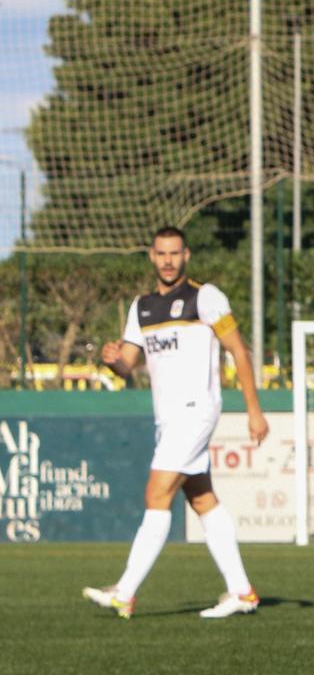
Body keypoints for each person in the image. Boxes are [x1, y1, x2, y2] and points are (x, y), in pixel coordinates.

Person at [83, 227, 267, 620]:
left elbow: (239, 350)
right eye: (161, 253)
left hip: (197, 408)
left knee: (156, 493)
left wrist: (254, 409)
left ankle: (125, 591)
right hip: (168, 418)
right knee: (202, 498)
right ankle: (242, 592)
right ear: (151, 256)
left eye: (175, 253)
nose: (168, 260)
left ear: (187, 255)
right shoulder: (142, 307)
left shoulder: (205, 297)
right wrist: (111, 358)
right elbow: (129, 363)